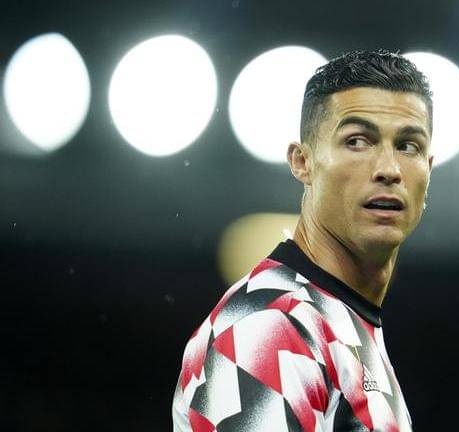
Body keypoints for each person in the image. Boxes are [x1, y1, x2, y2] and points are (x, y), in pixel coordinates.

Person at [171, 49, 433, 431]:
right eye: (357, 141)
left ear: (429, 168)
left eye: (408, 145)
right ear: (302, 162)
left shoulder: (334, 319)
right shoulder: (271, 323)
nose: (389, 169)